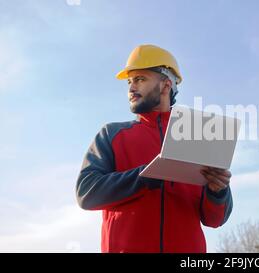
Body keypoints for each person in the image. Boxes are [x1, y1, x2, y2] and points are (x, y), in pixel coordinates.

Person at [76, 44, 233, 253]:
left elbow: (215, 219)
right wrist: (146, 176)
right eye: (129, 82)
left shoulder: (197, 136)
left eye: (140, 79)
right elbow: (87, 193)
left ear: (166, 85)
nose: (131, 88)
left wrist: (218, 191)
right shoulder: (112, 135)